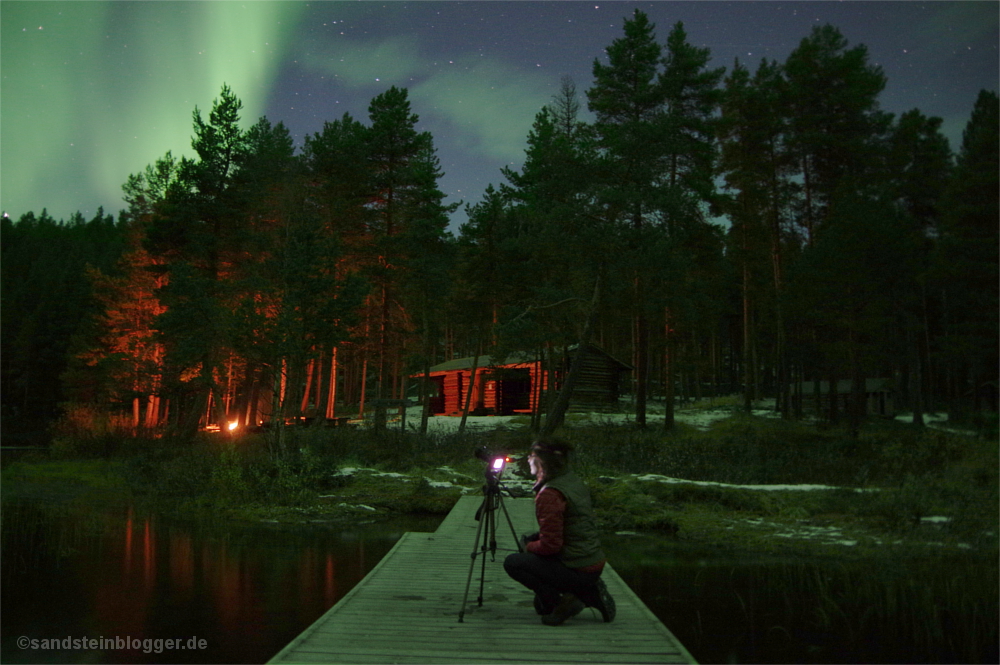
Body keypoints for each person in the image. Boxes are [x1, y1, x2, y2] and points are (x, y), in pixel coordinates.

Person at [503, 437, 616, 626]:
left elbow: (551, 546)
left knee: (514, 562)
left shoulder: (550, 493)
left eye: (531, 456)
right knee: (542, 607)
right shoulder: (569, 480)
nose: (528, 460)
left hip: (578, 566)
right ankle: (586, 590)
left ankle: (569, 602)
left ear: (542, 461)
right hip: (592, 560)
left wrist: (528, 547)